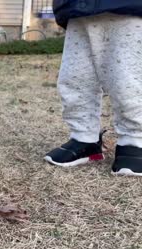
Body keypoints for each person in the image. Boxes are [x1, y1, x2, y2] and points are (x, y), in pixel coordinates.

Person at [44, 0, 142, 176]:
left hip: (129, 7)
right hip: (75, 7)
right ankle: (84, 137)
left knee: (127, 77)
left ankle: (134, 140)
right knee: (75, 77)